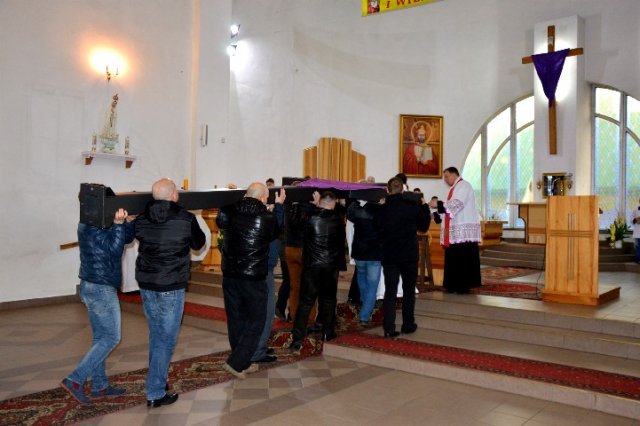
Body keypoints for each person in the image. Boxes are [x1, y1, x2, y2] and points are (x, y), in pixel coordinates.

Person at [135, 178, 206, 408]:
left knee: (157, 334)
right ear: (174, 195)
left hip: (147, 283)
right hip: (171, 285)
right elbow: (199, 244)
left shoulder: (141, 218)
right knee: (165, 339)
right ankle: (155, 392)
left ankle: (159, 380)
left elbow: (132, 236)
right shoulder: (186, 218)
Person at [61, 208, 134, 404]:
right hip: (100, 288)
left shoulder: (96, 220)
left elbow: (125, 239)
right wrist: (118, 224)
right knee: (111, 337)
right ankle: (75, 379)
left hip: (94, 285)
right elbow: (114, 250)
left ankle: (99, 385)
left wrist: (128, 223)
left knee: (100, 338)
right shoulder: (92, 225)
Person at [217, 182, 285, 378]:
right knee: (257, 319)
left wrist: (230, 198)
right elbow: (276, 231)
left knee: (236, 318)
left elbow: (220, 221)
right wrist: (278, 207)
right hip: (253, 277)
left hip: (230, 274)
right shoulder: (267, 217)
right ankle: (236, 363)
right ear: (263, 198)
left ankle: (242, 361)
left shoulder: (229, 211)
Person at [290, 191, 347, 353]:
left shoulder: (310, 217)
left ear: (319, 201)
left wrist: (311, 205)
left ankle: (297, 339)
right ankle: (328, 332)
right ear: (333, 203)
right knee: (329, 300)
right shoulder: (339, 219)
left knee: (306, 302)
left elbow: (294, 223)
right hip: (331, 266)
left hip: (312, 266)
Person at [375, 177, 431, 338]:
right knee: (408, 291)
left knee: (390, 292)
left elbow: (376, 229)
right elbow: (423, 226)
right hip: (408, 255)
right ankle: (408, 324)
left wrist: (380, 208)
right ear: (403, 189)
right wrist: (424, 205)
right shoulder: (412, 206)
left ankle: (388, 328)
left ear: (387, 190)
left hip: (390, 255)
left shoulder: (382, 208)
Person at [431, 167, 482, 293]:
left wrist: (438, 204)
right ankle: (452, 285)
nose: (445, 179)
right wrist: (436, 215)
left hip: (463, 231)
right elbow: (448, 210)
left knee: (462, 259)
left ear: (454, 175)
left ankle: (462, 286)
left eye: (446, 176)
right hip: (455, 231)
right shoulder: (454, 188)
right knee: (453, 258)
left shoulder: (464, 186)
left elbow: (455, 205)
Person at [348, 199, 382, 325]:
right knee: (372, 286)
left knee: (362, 280)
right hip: (374, 254)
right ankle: (364, 316)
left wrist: (355, 202)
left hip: (359, 252)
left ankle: (365, 303)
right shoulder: (380, 211)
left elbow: (349, 214)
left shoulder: (357, 210)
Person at [633, 198, 640, 264]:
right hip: (638, 232)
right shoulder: (635, 210)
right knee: (638, 246)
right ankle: (637, 259)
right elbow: (631, 220)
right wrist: (636, 220)